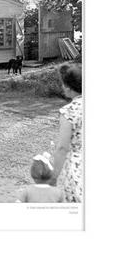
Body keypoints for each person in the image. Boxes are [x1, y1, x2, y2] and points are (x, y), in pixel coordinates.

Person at [50, 63, 83, 203]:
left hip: (77, 171)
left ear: (68, 88)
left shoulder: (69, 111)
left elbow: (62, 148)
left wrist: (53, 178)